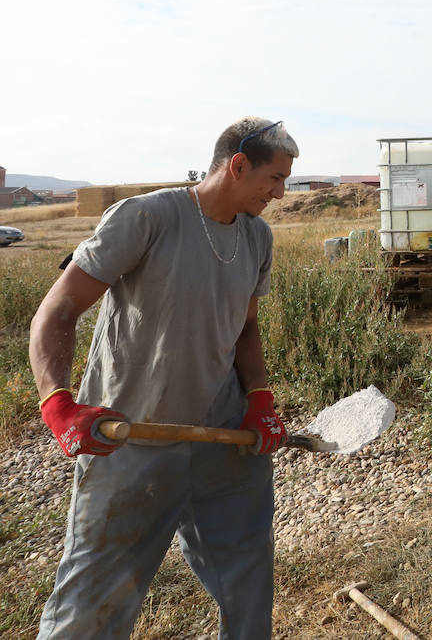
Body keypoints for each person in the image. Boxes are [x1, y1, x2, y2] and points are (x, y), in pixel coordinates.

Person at [29, 117, 297, 640]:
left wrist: (259, 399)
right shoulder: (148, 217)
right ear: (237, 165)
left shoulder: (257, 236)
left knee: (247, 579)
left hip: (223, 441)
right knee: (93, 601)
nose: (281, 192)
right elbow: (57, 310)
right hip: (129, 438)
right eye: (274, 178)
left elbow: (245, 328)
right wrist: (57, 403)